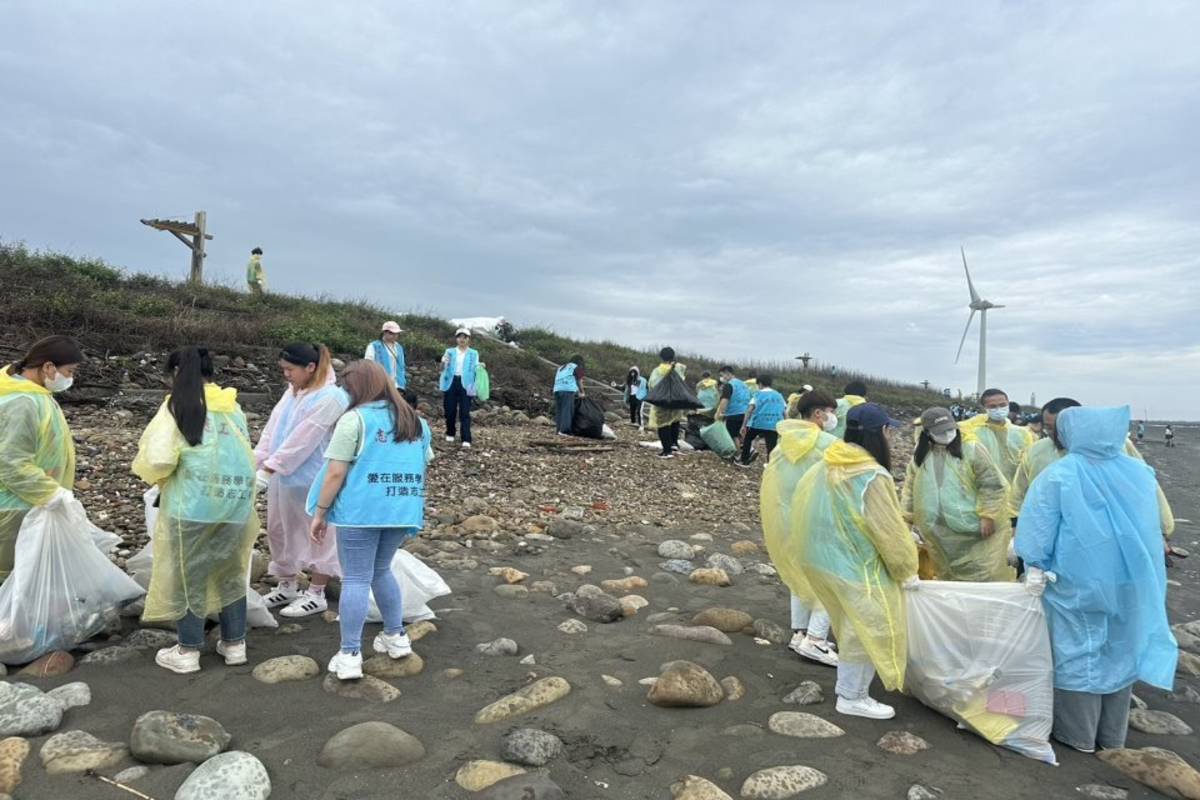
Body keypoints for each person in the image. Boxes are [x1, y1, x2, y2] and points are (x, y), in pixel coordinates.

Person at [1016, 405, 1177, 754]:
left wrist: (1035, 568)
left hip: (1076, 584)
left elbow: (1035, 537)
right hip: (1133, 584)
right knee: (1122, 651)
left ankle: (1079, 737)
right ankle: (1112, 736)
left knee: (1077, 654)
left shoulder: (1060, 475)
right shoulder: (1139, 473)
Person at [787, 402, 917, 720]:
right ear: (881, 433)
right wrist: (905, 569)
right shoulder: (871, 474)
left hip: (824, 561)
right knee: (868, 629)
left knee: (848, 626)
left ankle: (851, 692)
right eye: (887, 430)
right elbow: (886, 529)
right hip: (859, 567)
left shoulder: (828, 462)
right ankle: (852, 696)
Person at [132, 348, 259, 674]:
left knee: (190, 576)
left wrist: (159, 479)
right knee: (230, 574)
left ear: (176, 372)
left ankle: (188, 651)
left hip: (192, 505)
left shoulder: (178, 405)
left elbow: (159, 458)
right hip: (234, 505)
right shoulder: (233, 406)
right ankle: (235, 645)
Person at [308, 361, 430, 679]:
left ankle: (349, 654)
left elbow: (335, 472)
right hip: (400, 509)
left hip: (360, 511)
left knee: (357, 579)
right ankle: (396, 637)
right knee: (380, 570)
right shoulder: (416, 422)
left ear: (356, 388)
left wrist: (320, 513)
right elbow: (422, 463)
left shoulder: (355, 419)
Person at [254, 343, 348, 618]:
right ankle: (287, 584)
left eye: (290, 369)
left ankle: (317, 592)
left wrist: (271, 467)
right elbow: (272, 428)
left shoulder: (331, 397)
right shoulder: (292, 392)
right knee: (278, 528)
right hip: (283, 477)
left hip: (314, 476)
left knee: (319, 532)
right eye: (283, 369)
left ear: (311, 367)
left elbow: (304, 438)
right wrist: (258, 460)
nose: (286, 374)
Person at [1009, 398, 1174, 536]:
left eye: (1061, 427)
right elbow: (1019, 491)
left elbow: (1146, 487)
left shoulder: (1115, 447)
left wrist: (1162, 530)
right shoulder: (1038, 450)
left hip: (1107, 533)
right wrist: (1016, 525)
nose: (1056, 434)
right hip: (1049, 533)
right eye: (1049, 427)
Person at [760, 390, 840, 667]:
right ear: (819, 414)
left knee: (798, 575)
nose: (834, 418)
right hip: (819, 520)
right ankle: (816, 640)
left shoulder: (783, 445)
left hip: (788, 519)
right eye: (831, 411)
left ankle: (800, 633)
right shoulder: (829, 443)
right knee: (829, 578)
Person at [0, 336, 83, 584]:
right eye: (69, 371)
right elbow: (10, 462)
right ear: (48, 367)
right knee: (11, 579)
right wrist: (52, 494)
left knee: (27, 580)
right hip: (16, 504)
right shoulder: (22, 402)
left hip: (31, 501)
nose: (70, 378)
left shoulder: (33, 394)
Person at [900, 407, 1012, 582]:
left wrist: (988, 515)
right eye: (940, 431)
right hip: (937, 527)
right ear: (927, 432)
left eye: (949, 429)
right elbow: (910, 487)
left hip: (973, 528)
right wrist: (906, 518)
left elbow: (992, 485)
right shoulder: (921, 454)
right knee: (947, 573)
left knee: (982, 573)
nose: (947, 434)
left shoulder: (971, 449)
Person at [958, 388, 1035, 484]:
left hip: (1015, 489)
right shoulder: (972, 432)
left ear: (1008, 403)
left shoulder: (1021, 433)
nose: (999, 409)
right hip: (985, 490)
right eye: (993, 406)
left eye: (1003, 405)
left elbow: (1028, 464)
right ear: (983, 408)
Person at [439, 328, 480, 449]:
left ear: (469, 339)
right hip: (451, 382)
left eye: (465, 337)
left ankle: (466, 438)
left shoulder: (474, 353)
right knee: (449, 410)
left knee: (465, 411)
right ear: (456, 338)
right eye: (459, 337)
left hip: (468, 384)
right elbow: (442, 368)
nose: (462, 339)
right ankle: (450, 432)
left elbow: (476, 367)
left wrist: (481, 367)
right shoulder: (449, 351)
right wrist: (442, 362)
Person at [647, 347, 687, 460]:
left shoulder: (658, 370)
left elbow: (652, 384)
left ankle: (666, 451)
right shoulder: (678, 368)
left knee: (663, 425)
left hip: (663, 400)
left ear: (661, 357)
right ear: (673, 356)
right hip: (676, 400)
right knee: (675, 422)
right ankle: (674, 445)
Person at [738, 374, 786, 466]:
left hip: (758, 423)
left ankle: (744, 461)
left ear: (760, 383)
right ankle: (770, 465)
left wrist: (744, 425)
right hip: (773, 424)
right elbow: (784, 412)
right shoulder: (778, 395)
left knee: (748, 438)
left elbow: (749, 410)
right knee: (771, 445)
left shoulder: (757, 394)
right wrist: (786, 425)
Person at [364, 321, 407, 389]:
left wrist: (403, 382)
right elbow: (368, 365)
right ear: (384, 332)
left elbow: (402, 366)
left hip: (397, 384)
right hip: (380, 384)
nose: (395, 336)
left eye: (397, 333)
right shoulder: (374, 346)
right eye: (392, 333)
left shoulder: (399, 347)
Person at [714, 366, 751, 443]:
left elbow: (725, 400)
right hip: (746, 412)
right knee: (742, 433)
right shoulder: (744, 384)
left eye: (722, 375)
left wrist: (721, 413)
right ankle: (748, 451)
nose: (721, 378)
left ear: (727, 373)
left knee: (733, 436)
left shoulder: (729, 385)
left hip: (734, 413)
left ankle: (737, 454)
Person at [553, 354, 585, 436]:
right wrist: (582, 392)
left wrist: (577, 392)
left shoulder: (561, 367)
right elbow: (579, 381)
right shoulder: (577, 367)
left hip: (557, 389)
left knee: (560, 410)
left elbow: (569, 378)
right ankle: (565, 431)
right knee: (567, 410)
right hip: (567, 390)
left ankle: (558, 430)